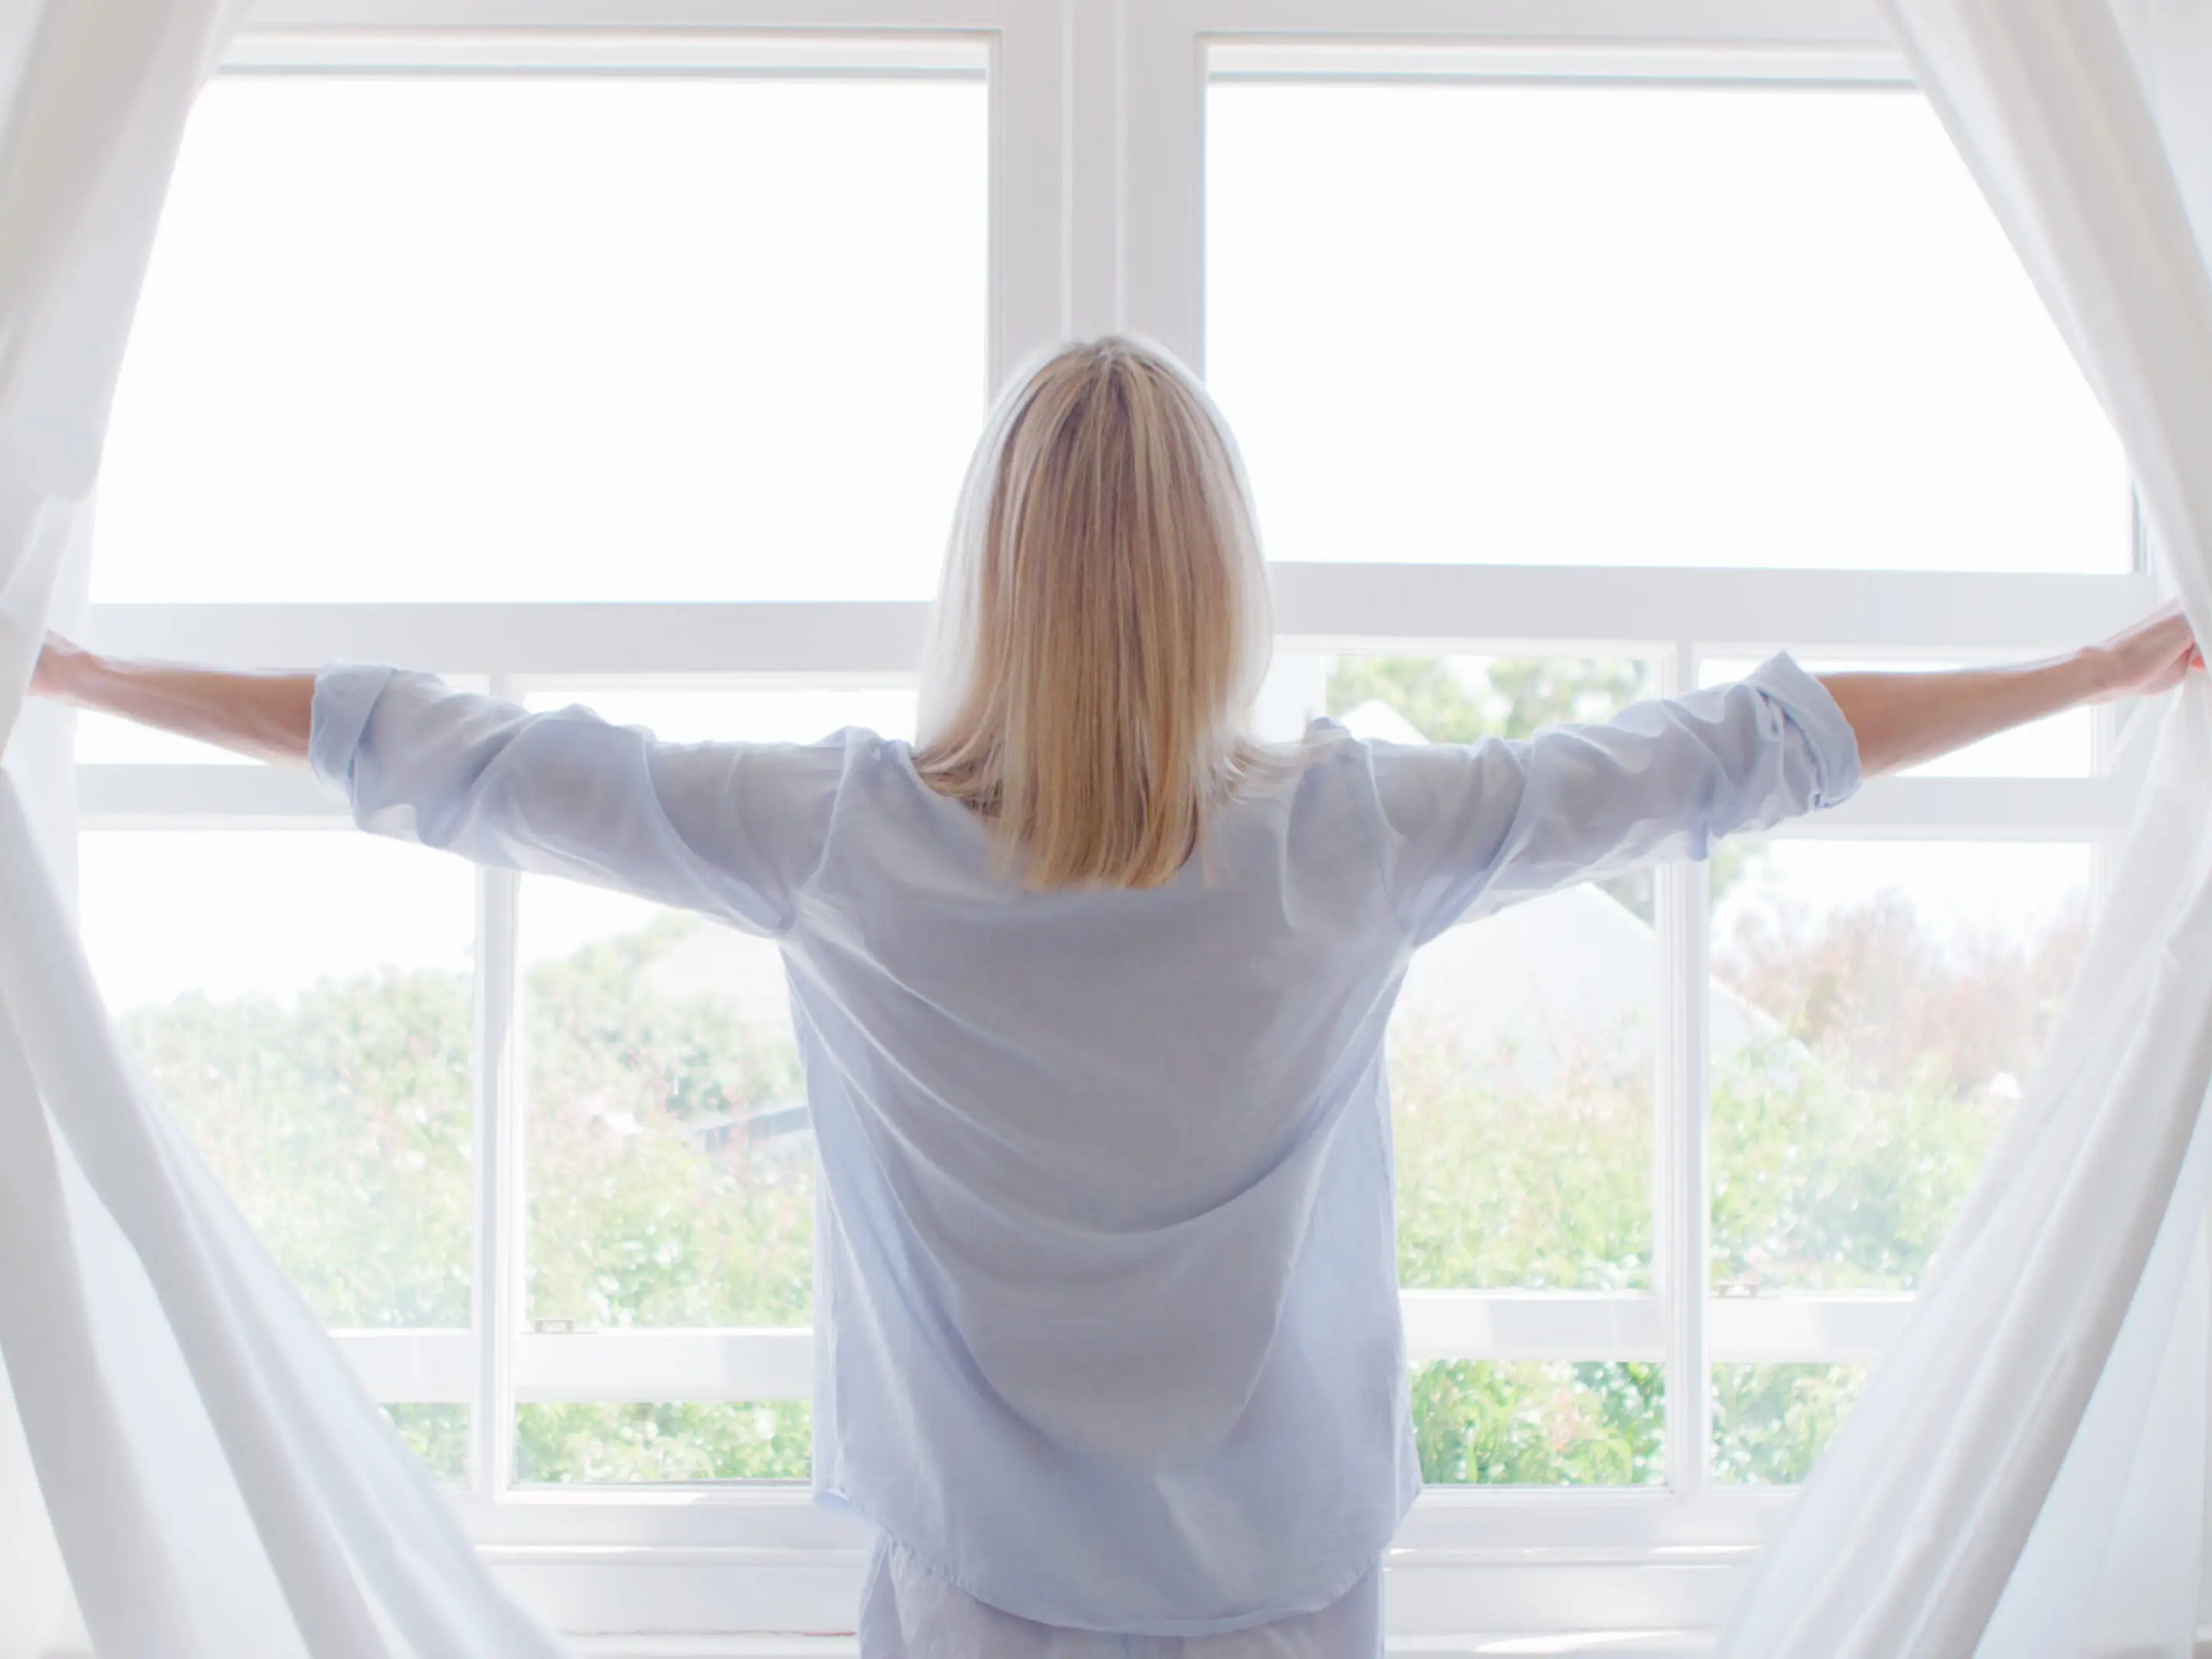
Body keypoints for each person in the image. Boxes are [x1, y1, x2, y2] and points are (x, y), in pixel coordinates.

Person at [31, 336, 2201, 1657]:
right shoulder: (1355, 832)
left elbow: (445, 750)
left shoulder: (841, 839)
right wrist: (2101, 664)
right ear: (1225, 586)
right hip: (1284, 1578)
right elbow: (1748, 745)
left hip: (975, 1586)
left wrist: (78, 664)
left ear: (980, 577)